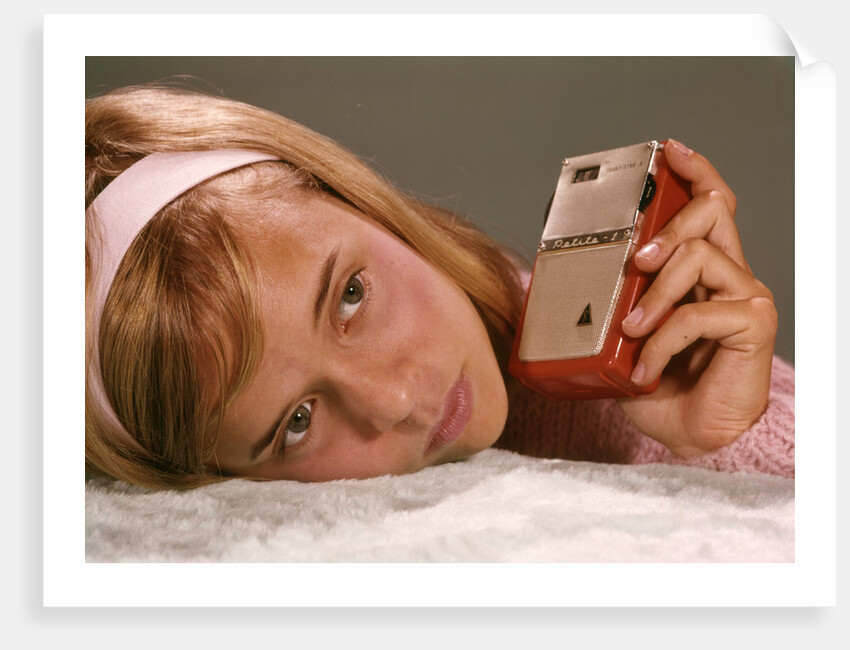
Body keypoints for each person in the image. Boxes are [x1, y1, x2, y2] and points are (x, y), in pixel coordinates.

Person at [85, 85, 794, 489]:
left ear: (363, 202)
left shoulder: (642, 351)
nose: (393, 400)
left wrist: (729, 445)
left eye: (350, 296)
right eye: (294, 423)